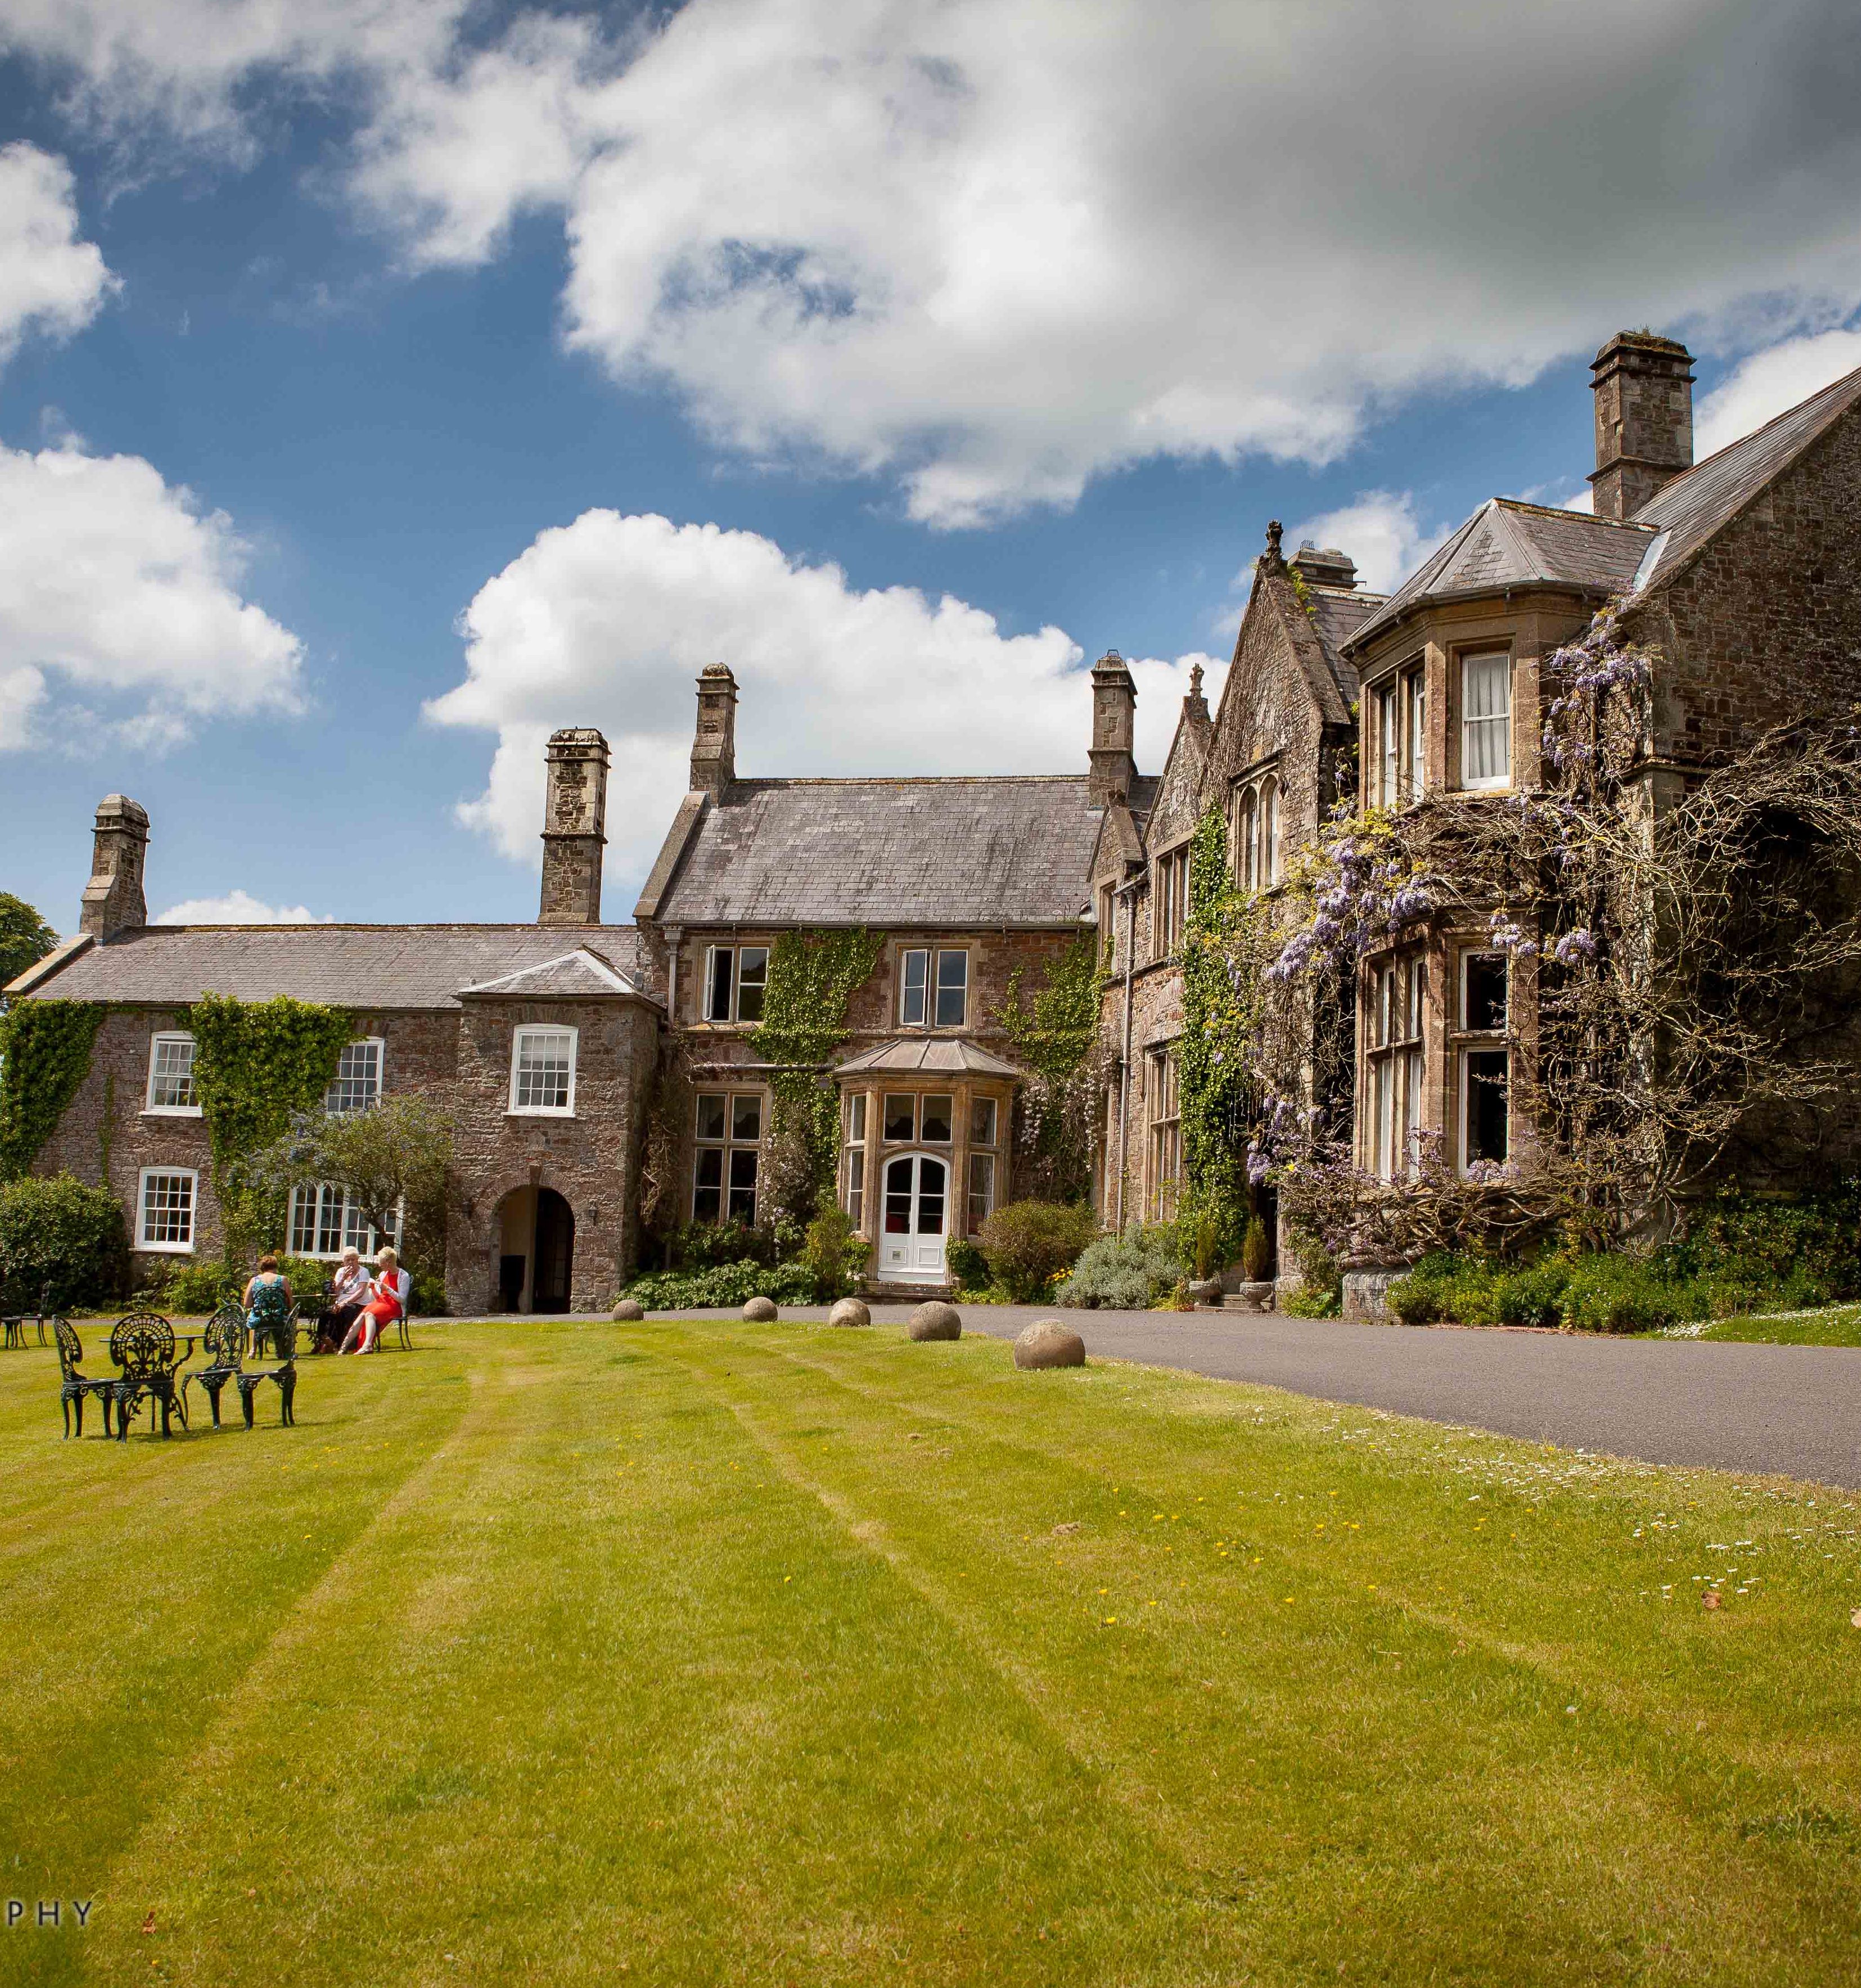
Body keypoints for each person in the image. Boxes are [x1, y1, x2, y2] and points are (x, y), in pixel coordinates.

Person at [341, 1247, 409, 1354]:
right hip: (382, 1302)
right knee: (362, 1315)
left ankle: (367, 1346)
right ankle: (344, 1347)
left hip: (395, 1305)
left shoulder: (403, 1276)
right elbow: (378, 1297)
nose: (379, 1265)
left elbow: (402, 1299)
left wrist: (388, 1289)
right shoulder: (383, 1275)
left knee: (370, 1315)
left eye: (381, 1262)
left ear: (388, 1262)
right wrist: (373, 1288)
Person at [242, 1254, 295, 1359]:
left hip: (260, 1319)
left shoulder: (254, 1280)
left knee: (256, 1314)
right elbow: (291, 1301)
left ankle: (253, 1350)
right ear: (276, 1266)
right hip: (279, 1318)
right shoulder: (283, 1279)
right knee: (287, 1317)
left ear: (262, 1267)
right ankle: (282, 1349)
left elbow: (247, 1304)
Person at [318, 1247, 369, 1354]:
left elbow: (360, 1292)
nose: (350, 1262)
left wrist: (345, 1303)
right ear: (344, 1262)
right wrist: (343, 1278)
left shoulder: (364, 1272)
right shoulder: (341, 1272)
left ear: (357, 1260)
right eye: (348, 1260)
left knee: (344, 1312)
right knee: (324, 1312)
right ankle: (325, 1340)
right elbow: (336, 1293)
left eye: (353, 1260)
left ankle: (342, 1344)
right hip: (340, 1302)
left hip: (357, 1303)